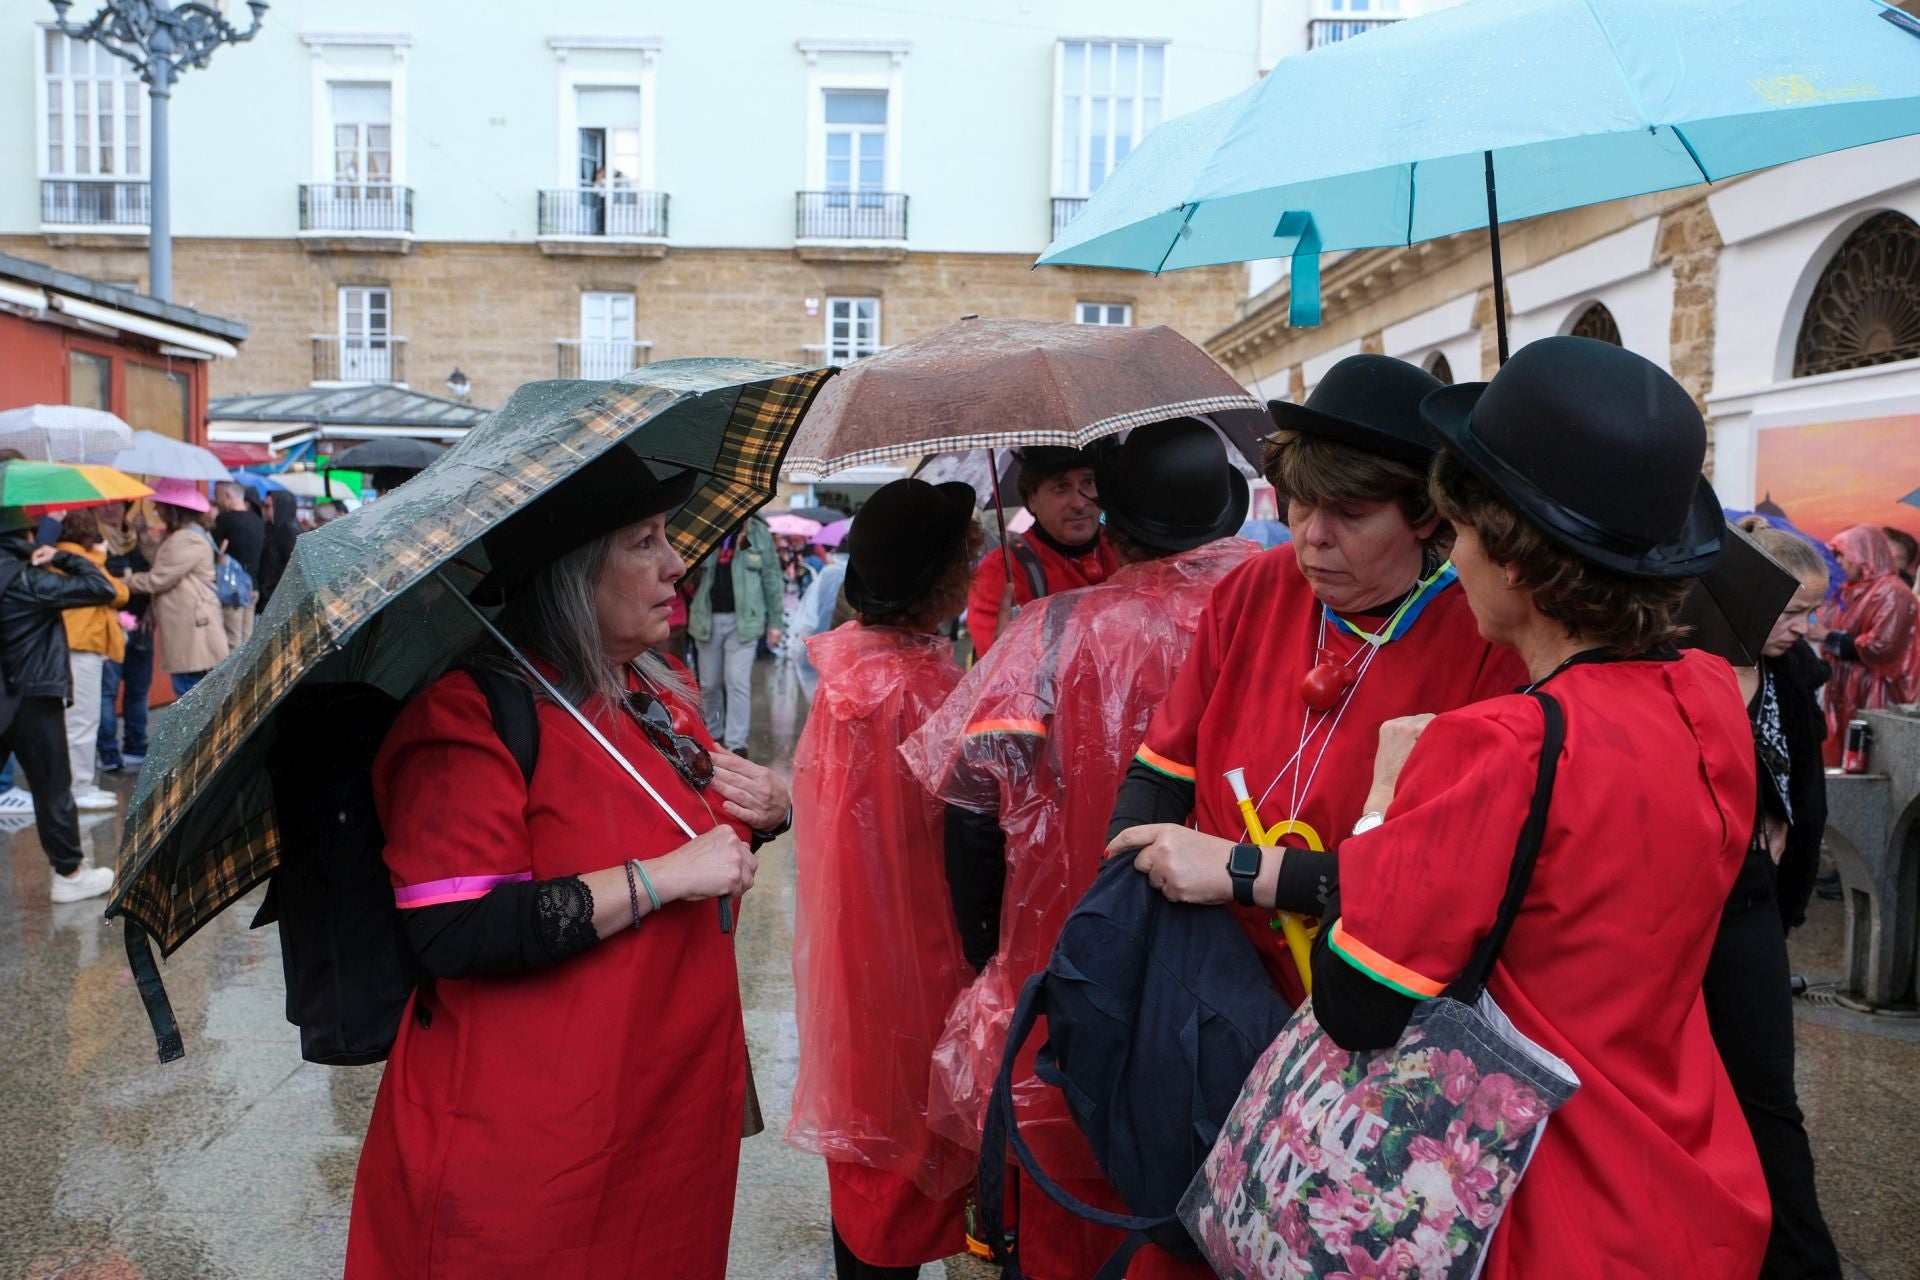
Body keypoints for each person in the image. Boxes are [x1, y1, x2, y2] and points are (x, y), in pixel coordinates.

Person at [1117, 336, 1771, 1277]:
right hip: (1680, 1171)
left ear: (1516, 560)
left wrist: (1386, 802)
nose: (1452, 558)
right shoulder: (1707, 695)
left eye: (1461, 531)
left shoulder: (1500, 743)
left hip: (1525, 1195)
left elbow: (1356, 1002)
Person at [347, 448, 792, 1279]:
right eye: (644, 541)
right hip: (534, 1150)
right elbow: (457, 927)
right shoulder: (468, 718)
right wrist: (661, 878)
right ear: (571, 573)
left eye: (667, 536)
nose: (676, 563)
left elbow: (703, 836)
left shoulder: (653, 689)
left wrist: (769, 813)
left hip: (666, 1121)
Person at [906, 419, 1256, 1280]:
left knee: (1073, 1209)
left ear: (1113, 522)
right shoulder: (1279, 620)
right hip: (1242, 974)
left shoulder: (1053, 631)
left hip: (1073, 969)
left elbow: (969, 806)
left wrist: (988, 954)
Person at [1107, 355, 1526, 1003]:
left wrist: (1245, 871)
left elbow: (1448, 880)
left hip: (1365, 994)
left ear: (1425, 514)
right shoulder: (1255, 588)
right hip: (1213, 976)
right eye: (1301, 505)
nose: (1313, 538)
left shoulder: (1484, 638)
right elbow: (1160, 774)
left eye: (1350, 513)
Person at [788, 478, 981, 1280]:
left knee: (866, 1144)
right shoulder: (933, 692)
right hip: (928, 958)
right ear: (943, 580)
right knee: (915, 1142)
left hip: (854, 955)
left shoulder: (845, 674)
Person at [1705, 516, 1843, 1279]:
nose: (1802, 628)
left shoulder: (1788, 674)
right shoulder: (1693, 668)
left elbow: (1803, 788)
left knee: (1767, 1096)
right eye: (1791, 611)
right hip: (1696, 899)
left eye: (1810, 614)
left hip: (1757, 902)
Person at [0, 507, 120, 900]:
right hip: (32, 695)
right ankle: (69, 874)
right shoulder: (26, 580)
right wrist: (60, 556)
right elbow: (101, 588)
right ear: (22, 538)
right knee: (52, 787)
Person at [964, 446, 1116, 655]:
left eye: (1088, 482)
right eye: (1061, 487)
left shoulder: (1125, 546)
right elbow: (1004, 670)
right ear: (1031, 498)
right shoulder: (1001, 573)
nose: (1080, 503)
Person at [1813, 523, 1919, 764]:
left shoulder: (1893, 592)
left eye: (1842, 554)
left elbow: (1882, 647)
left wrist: (1828, 637)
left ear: (1863, 553)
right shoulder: (1848, 591)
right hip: (1843, 692)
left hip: (1877, 696)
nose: (1838, 561)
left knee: (1872, 761)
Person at [123, 480, 230, 699]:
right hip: (190, 628)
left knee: (190, 697)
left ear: (173, 508)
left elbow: (158, 578)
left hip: (193, 631)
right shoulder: (182, 536)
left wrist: (120, 582)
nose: (155, 509)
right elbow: (163, 560)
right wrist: (143, 533)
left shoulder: (187, 538)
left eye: (159, 504)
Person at [687, 514, 784, 754]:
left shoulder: (759, 533)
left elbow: (772, 579)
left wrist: (776, 623)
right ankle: (713, 736)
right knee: (709, 683)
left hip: (744, 622)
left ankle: (736, 745)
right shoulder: (708, 528)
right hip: (707, 619)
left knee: (737, 682)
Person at [54, 509, 128, 813]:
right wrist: (100, 556)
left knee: (73, 720)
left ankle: (76, 785)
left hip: (72, 647)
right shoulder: (80, 561)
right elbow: (118, 592)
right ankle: (79, 788)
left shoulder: (57, 558)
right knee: (82, 720)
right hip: (82, 648)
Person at [98, 500, 153, 771]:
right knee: (107, 691)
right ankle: (108, 751)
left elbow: (155, 574)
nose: (111, 510)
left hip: (141, 627)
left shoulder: (136, 539)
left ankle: (136, 746)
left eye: (117, 505)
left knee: (138, 690)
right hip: (109, 626)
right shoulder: (95, 539)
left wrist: (150, 608)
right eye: (104, 505)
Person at [212, 479, 265, 650]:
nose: (217, 501)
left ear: (228, 496)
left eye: (218, 496)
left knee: (232, 642)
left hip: (231, 590)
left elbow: (213, 552)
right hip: (253, 588)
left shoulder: (224, 520)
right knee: (247, 643)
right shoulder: (258, 521)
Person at [256, 489, 299, 611]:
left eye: (268, 506)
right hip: (267, 595)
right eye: (263, 505)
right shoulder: (269, 528)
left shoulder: (288, 531)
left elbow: (290, 566)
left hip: (278, 597)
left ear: (280, 507)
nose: (264, 510)